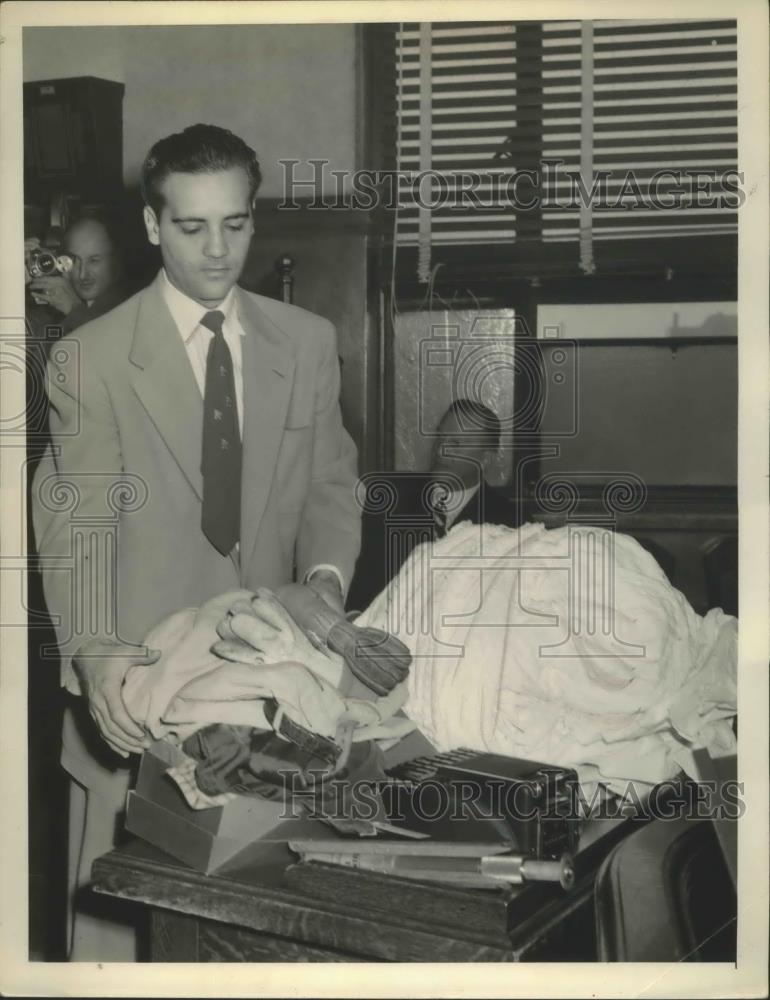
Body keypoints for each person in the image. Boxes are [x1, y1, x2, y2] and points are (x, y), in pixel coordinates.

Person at [31, 124, 361, 961]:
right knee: (126, 945)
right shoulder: (89, 358)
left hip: (268, 695)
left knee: (257, 939)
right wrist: (97, 651)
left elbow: (329, 483)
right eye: (191, 226)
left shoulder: (308, 342)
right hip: (136, 699)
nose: (218, 250)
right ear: (151, 225)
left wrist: (321, 585)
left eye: (236, 223)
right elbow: (80, 515)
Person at [348, 398, 524, 611]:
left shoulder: (512, 524)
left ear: (485, 459)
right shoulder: (386, 504)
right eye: (441, 437)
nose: (441, 450)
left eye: (456, 444)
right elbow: (360, 590)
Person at [27, 214, 129, 334]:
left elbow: (111, 347)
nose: (82, 274)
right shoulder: (54, 308)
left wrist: (74, 310)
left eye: (93, 260)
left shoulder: (131, 306)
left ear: (114, 262)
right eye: (74, 260)